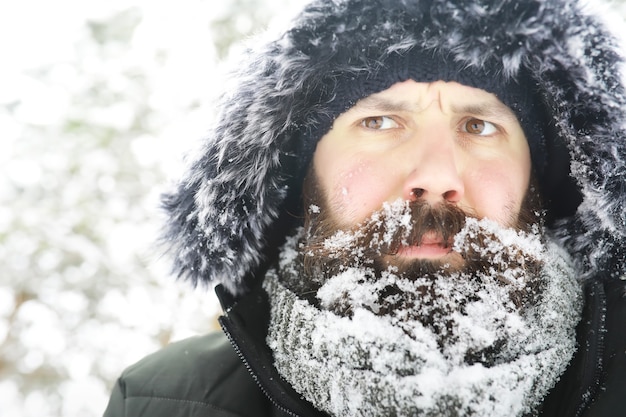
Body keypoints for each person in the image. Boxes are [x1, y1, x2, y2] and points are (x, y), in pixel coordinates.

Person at [103, 0, 626, 416]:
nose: (437, 176)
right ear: (303, 175)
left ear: (541, 177)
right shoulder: (163, 402)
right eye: (380, 123)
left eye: (479, 126)